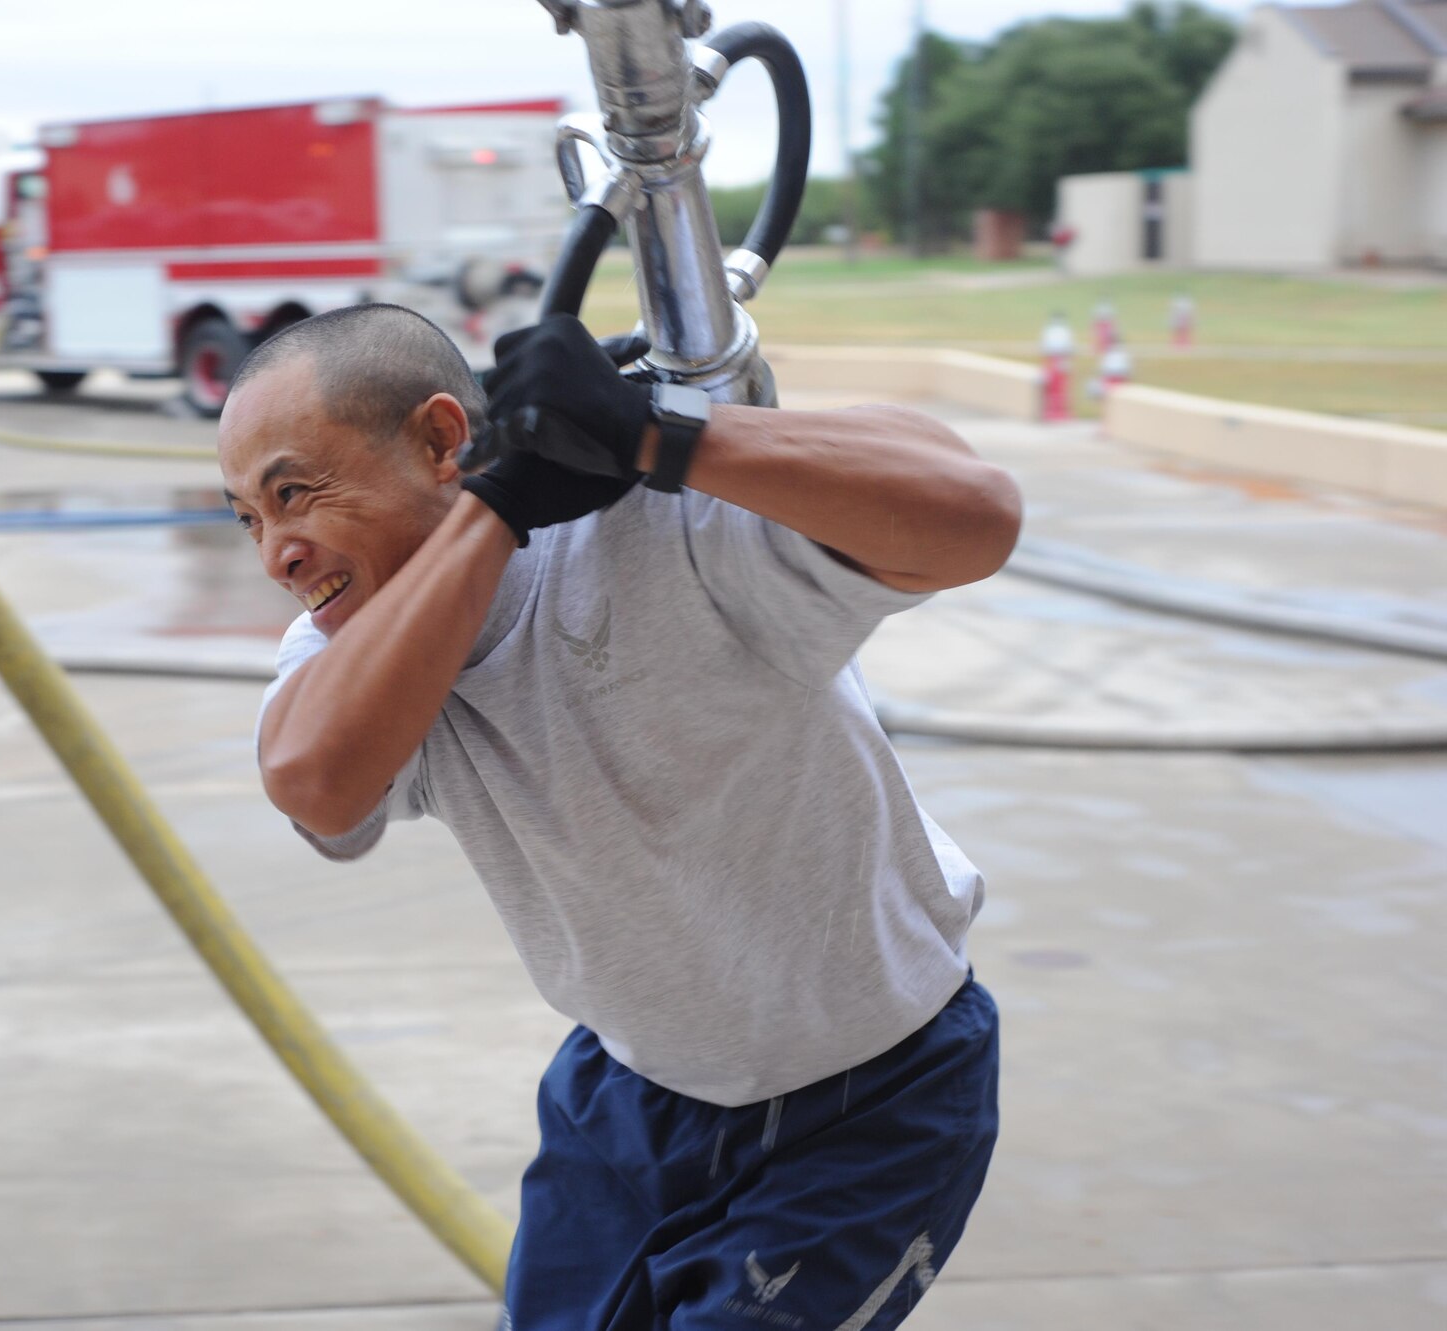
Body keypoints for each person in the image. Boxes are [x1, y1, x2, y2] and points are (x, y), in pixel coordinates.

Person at [218, 304, 1022, 1329]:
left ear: (436, 440)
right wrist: (496, 507)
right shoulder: (349, 645)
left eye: (294, 493)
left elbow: (976, 512)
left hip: (871, 1095)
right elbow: (315, 782)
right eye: (247, 516)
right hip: (627, 1091)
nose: (275, 551)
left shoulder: (649, 529)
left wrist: (659, 436)